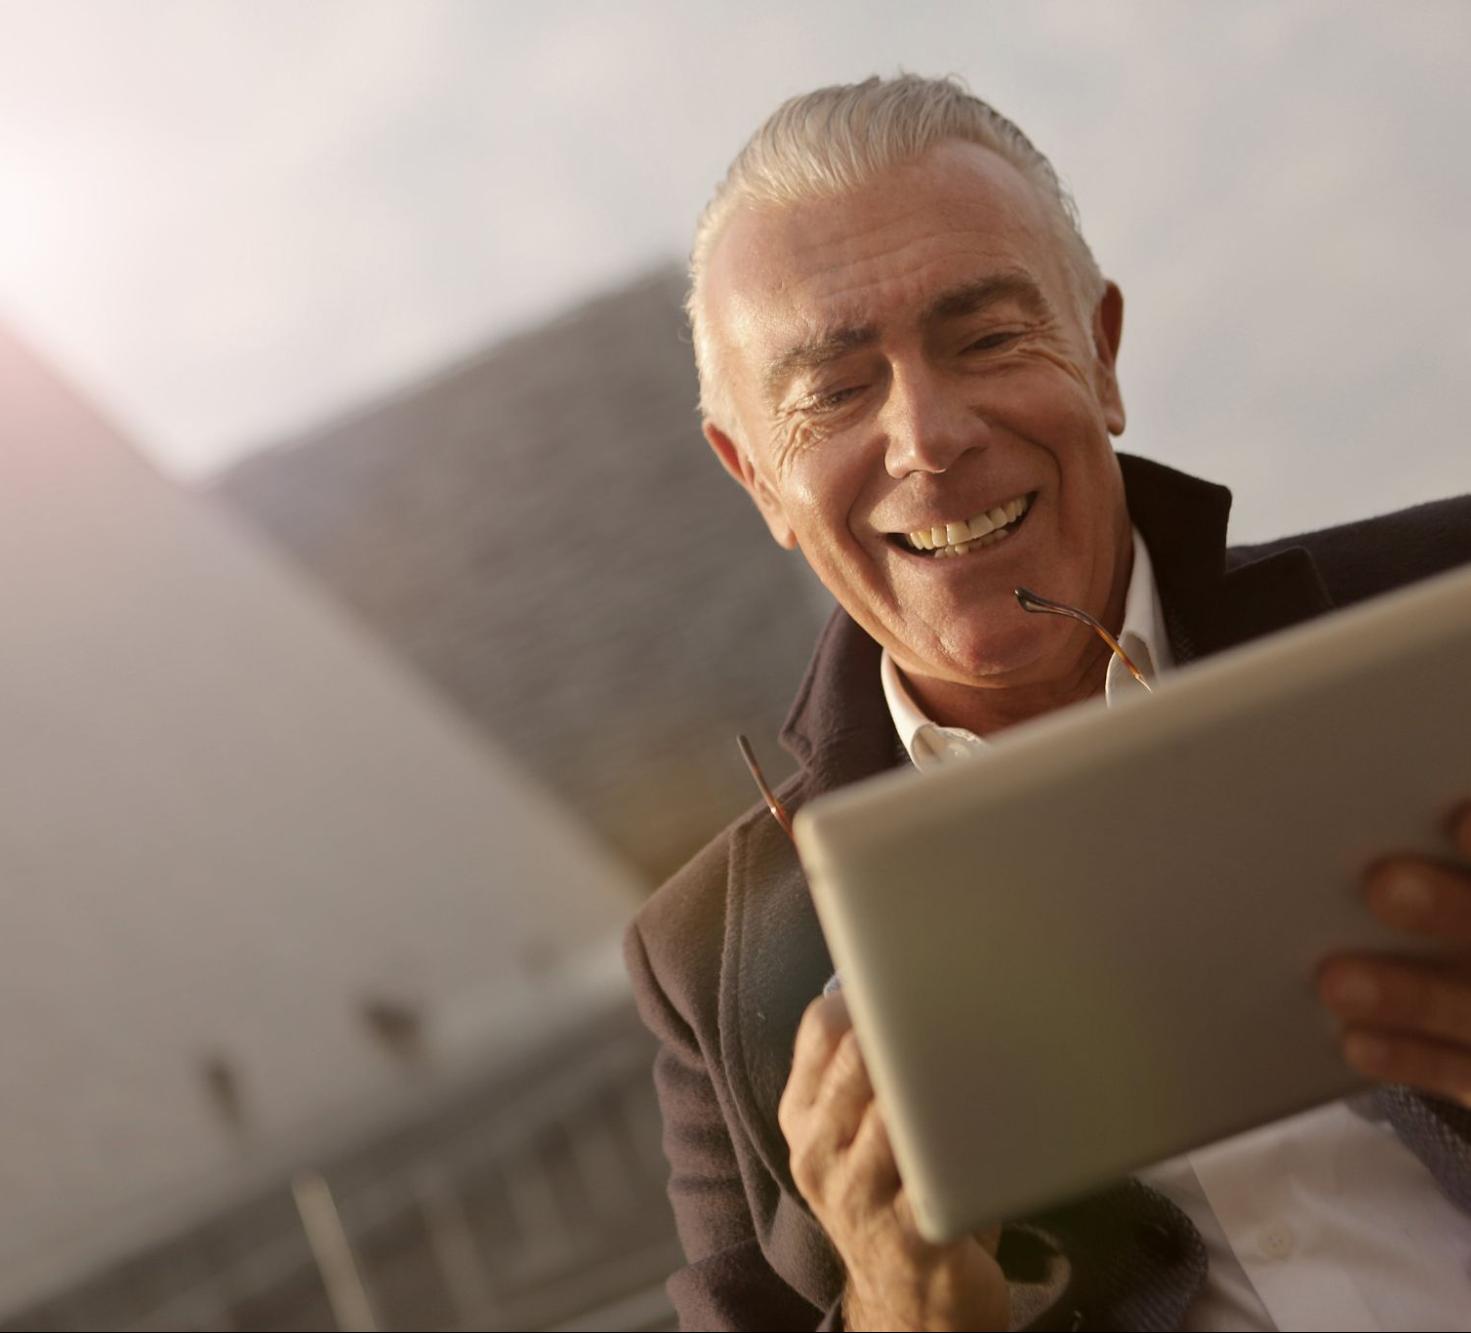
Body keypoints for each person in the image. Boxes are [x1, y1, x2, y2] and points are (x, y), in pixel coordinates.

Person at [625, 74, 1471, 1331]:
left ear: (1103, 354)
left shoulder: (1445, 612)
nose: (928, 435)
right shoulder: (713, 959)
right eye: (836, 391)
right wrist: (901, 1314)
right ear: (756, 476)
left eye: (985, 340)